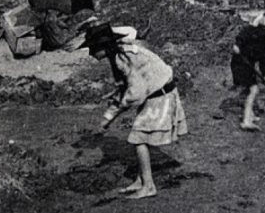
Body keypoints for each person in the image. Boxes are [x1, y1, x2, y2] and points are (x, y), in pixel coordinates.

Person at [79, 23, 187, 200]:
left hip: (161, 95)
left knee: (138, 139)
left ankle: (148, 186)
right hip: (158, 91)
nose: (90, 53)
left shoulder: (124, 57)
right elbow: (125, 86)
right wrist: (111, 112)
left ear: (104, 46)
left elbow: (135, 93)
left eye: (92, 48)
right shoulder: (119, 55)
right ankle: (140, 179)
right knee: (140, 137)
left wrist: (114, 112)